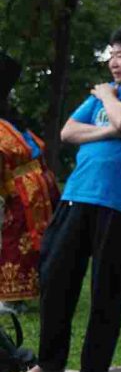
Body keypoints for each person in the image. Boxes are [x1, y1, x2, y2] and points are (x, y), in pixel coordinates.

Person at [1, 24, 121, 372]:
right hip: (77, 197)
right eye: (111, 55)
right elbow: (67, 132)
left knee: (107, 290)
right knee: (55, 278)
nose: (113, 63)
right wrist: (110, 129)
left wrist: (109, 100)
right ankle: (49, 363)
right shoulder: (107, 97)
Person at [0, 53, 60, 313]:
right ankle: (12, 297)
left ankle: (16, 297)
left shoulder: (9, 118)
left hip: (29, 190)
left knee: (26, 243)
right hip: (22, 188)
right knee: (18, 242)